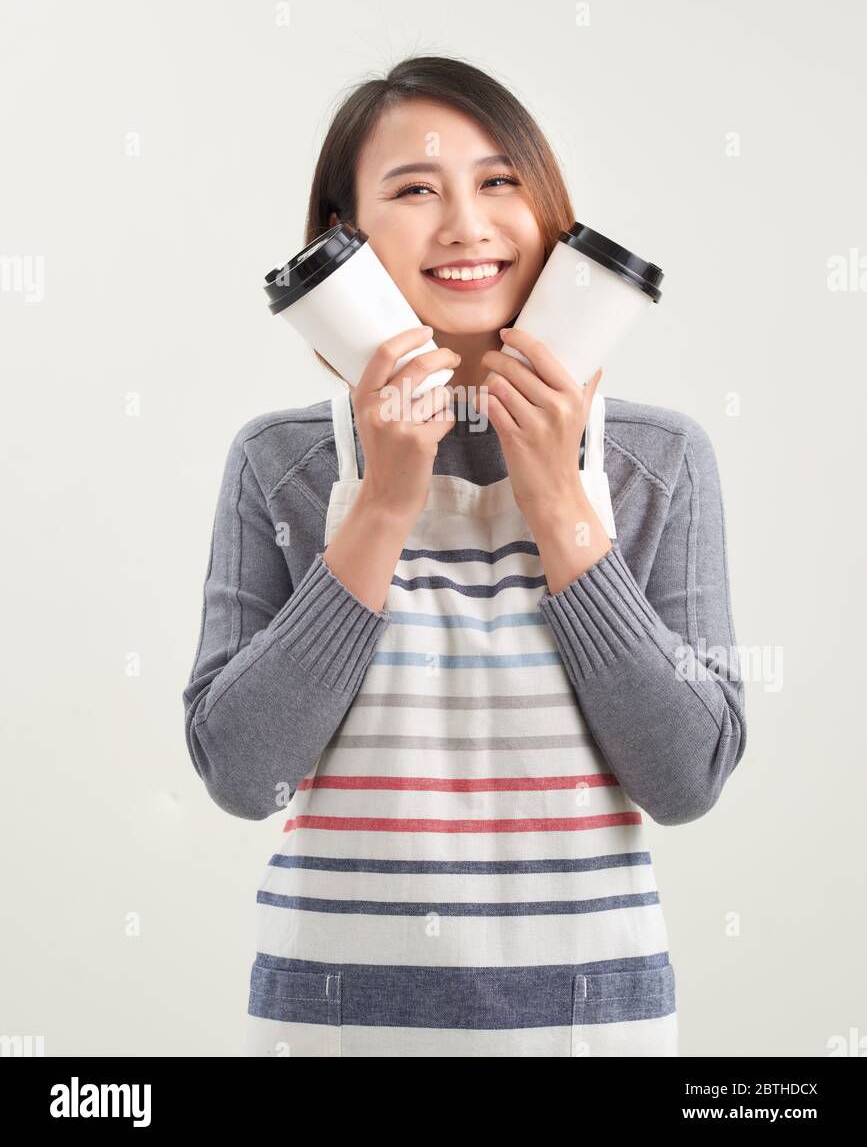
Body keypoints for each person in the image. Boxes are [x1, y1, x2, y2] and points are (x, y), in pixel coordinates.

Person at [183, 55, 746, 1057]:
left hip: (586, 1035)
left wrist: (561, 504)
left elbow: (687, 778)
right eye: (413, 190)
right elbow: (242, 772)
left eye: (499, 182)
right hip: (331, 1032)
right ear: (341, 241)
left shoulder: (656, 462)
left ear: (551, 221)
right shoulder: (282, 465)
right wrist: (382, 505)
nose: (466, 226)